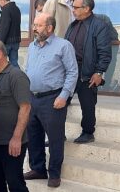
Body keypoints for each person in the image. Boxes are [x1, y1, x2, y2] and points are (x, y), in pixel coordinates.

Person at [24, 13, 78, 188]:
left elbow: (72, 72)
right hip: (32, 98)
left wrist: (64, 95)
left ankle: (54, 173)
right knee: (33, 136)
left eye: (38, 25)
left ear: (49, 27)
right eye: (34, 25)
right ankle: (38, 169)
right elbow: (28, 70)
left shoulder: (64, 46)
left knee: (55, 139)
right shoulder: (32, 46)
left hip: (53, 99)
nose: (34, 28)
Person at [0, 39, 31, 192]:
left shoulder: (16, 76)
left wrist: (16, 138)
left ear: (0, 54)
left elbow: (25, 108)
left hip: (11, 144)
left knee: (15, 183)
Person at [64, 0, 112, 143]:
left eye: (76, 7)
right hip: (69, 71)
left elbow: (105, 52)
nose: (73, 10)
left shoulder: (99, 25)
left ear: (87, 8)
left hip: (87, 72)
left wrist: (99, 72)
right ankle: (58, 133)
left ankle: (88, 132)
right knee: (61, 103)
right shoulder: (72, 25)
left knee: (88, 105)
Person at [0, 0, 21, 68]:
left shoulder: (6, 9)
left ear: (3, 0)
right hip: (16, 42)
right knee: (14, 63)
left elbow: (4, 27)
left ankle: (1, 80)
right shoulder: (17, 9)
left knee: (0, 64)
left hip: (6, 42)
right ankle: (18, 79)